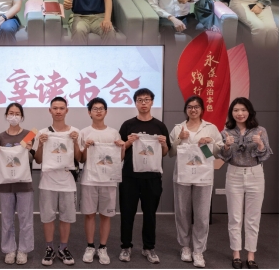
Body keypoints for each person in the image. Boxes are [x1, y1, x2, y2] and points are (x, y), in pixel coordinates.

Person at [168, 96, 224, 268]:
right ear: (186, 109)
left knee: (201, 214)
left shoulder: (210, 128)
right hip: (182, 177)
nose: (193, 110)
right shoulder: (178, 128)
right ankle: (185, 247)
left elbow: (216, 153)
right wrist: (179, 138)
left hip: (203, 178)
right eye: (190, 107)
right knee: (182, 212)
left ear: (202, 109)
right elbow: (171, 153)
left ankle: (198, 250)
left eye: (196, 107)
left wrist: (210, 142)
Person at [119, 88, 171, 265]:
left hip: (152, 177)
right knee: (127, 213)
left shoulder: (159, 126)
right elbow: (119, 151)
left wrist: (163, 144)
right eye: (140, 100)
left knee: (150, 214)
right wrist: (128, 142)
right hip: (130, 176)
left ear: (152, 102)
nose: (143, 103)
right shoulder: (127, 125)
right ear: (135, 103)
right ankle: (126, 247)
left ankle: (149, 247)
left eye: (147, 99)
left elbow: (165, 152)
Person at [219, 98, 272, 270]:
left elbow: (265, 155)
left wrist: (260, 144)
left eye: (243, 110)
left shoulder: (260, 130)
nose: (240, 113)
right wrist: (226, 147)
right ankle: (236, 254)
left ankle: (250, 255)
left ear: (249, 111)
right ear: (231, 113)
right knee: (234, 217)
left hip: (255, 174)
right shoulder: (226, 132)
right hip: (234, 174)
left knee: (253, 218)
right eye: (236, 110)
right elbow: (223, 157)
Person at [33, 97, 81, 266]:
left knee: (66, 217)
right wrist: (40, 145)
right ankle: (49, 248)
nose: (58, 111)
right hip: (47, 181)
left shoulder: (75, 131)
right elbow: (38, 160)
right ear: (50, 110)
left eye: (61, 108)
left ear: (67, 110)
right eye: (55, 108)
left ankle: (63, 248)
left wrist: (75, 142)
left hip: (67, 180)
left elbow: (80, 158)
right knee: (47, 217)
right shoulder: (41, 133)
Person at [79, 98, 125, 265]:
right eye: (95, 108)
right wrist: (85, 147)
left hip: (109, 180)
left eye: (101, 108)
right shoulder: (84, 132)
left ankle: (103, 247)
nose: (98, 111)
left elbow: (119, 159)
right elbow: (81, 159)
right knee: (89, 214)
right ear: (89, 112)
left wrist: (122, 147)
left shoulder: (113, 133)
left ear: (106, 111)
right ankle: (90, 246)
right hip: (89, 179)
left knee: (106, 215)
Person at [0, 103, 34, 265]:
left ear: (22, 116)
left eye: (17, 113)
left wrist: (30, 149)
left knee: (25, 219)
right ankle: (9, 249)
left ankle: (24, 250)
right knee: (7, 219)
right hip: (6, 184)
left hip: (24, 184)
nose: (14, 116)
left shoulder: (29, 134)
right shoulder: (1, 136)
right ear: (6, 115)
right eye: (11, 113)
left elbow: (33, 158)